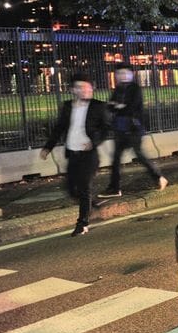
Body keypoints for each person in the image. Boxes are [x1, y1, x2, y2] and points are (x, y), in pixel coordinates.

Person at [39, 73, 111, 236]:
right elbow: (59, 128)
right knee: (71, 189)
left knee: (84, 188)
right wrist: (47, 147)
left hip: (89, 155)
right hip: (72, 154)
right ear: (73, 90)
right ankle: (92, 203)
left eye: (88, 87)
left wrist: (94, 142)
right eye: (80, 87)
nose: (85, 90)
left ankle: (82, 224)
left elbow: (107, 128)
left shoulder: (99, 106)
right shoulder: (67, 107)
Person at [99, 63, 167, 198]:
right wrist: (118, 106)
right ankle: (114, 188)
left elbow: (131, 108)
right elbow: (110, 106)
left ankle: (159, 177)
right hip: (119, 128)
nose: (122, 76)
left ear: (131, 75)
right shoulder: (118, 89)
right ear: (116, 75)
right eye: (119, 73)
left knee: (139, 155)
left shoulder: (135, 89)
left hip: (133, 128)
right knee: (116, 159)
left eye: (125, 73)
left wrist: (118, 106)